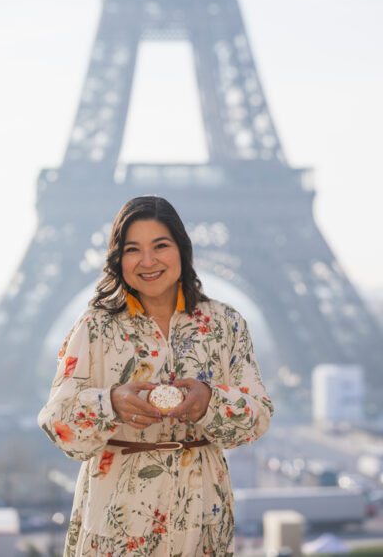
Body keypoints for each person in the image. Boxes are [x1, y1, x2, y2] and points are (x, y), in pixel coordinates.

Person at [37, 196, 273, 556]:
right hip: (118, 517)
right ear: (119, 259)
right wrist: (110, 404)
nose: (148, 261)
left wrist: (210, 401)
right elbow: (57, 425)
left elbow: (258, 418)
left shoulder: (226, 324)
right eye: (133, 249)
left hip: (201, 515)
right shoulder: (94, 328)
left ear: (183, 249)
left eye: (160, 245)